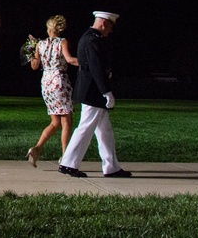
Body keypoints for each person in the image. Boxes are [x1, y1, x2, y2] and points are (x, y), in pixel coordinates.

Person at [59, 11, 132, 178]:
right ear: (104, 23)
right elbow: (96, 69)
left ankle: (111, 166)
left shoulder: (90, 38)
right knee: (85, 128)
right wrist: (106, 92)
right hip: (93, 93)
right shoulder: (92, 40)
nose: (110, 31)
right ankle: (68, 163)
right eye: (110, 27)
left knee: (105, 132)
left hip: (91, 92)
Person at [26, 14, 79, 166]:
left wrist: (31, 49)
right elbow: (69, 59)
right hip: (59, 81)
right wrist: (86, 63)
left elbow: (34, 66)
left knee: (55, 122)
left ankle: (36, 148)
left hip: (46, 83)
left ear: (49, 28)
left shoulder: (40, 44)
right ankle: (65, 156)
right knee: (67, 121)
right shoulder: (62, 42)